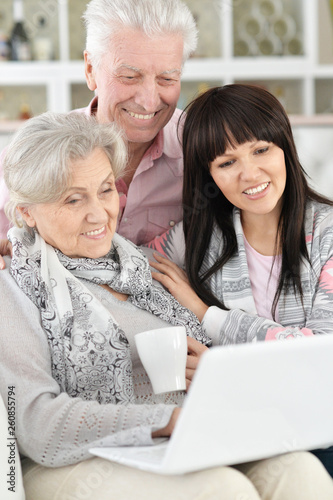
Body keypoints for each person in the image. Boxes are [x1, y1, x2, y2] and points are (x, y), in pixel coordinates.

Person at [1, 112, 332, 500]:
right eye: (73, 199)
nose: (99, 214)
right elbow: (36, 422)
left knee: (298, 470)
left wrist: (209, 382)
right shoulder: (15, 286)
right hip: (78, 460)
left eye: (105, 190)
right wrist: (168, 420)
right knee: (220, 489)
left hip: (185, 438)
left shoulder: (145, 267)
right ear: (25, 211)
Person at [147, 84, 333, 476]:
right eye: (226, 163)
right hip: (241, 428)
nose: (250, 174)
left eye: (261, 149)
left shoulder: (327, 233)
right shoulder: (198, 235)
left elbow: (321, 354)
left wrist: (208, 318)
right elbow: (122, 263)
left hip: (321, 432)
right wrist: (22, 244)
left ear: (285, 147)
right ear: (209, 174)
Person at [0, 0, 197, 259]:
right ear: (91, 70)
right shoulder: (34, 155)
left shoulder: (203, 150)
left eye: (167, 79)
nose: (149, 101)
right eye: (129, 77)